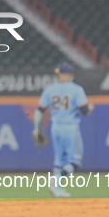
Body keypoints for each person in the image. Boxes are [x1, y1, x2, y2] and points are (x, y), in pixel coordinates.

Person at [32, 62, 94, 197]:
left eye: (59, 73)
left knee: (59, 160)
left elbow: (39, 111)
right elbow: (84, 110)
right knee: (75, 161)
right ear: (70, 75)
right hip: (70, 127)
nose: (58, 75)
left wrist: (36, 129)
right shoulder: (76, 89)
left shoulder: (50, 89)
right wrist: (90, 108)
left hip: (56, 127)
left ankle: (57, 188)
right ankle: (56, 182)